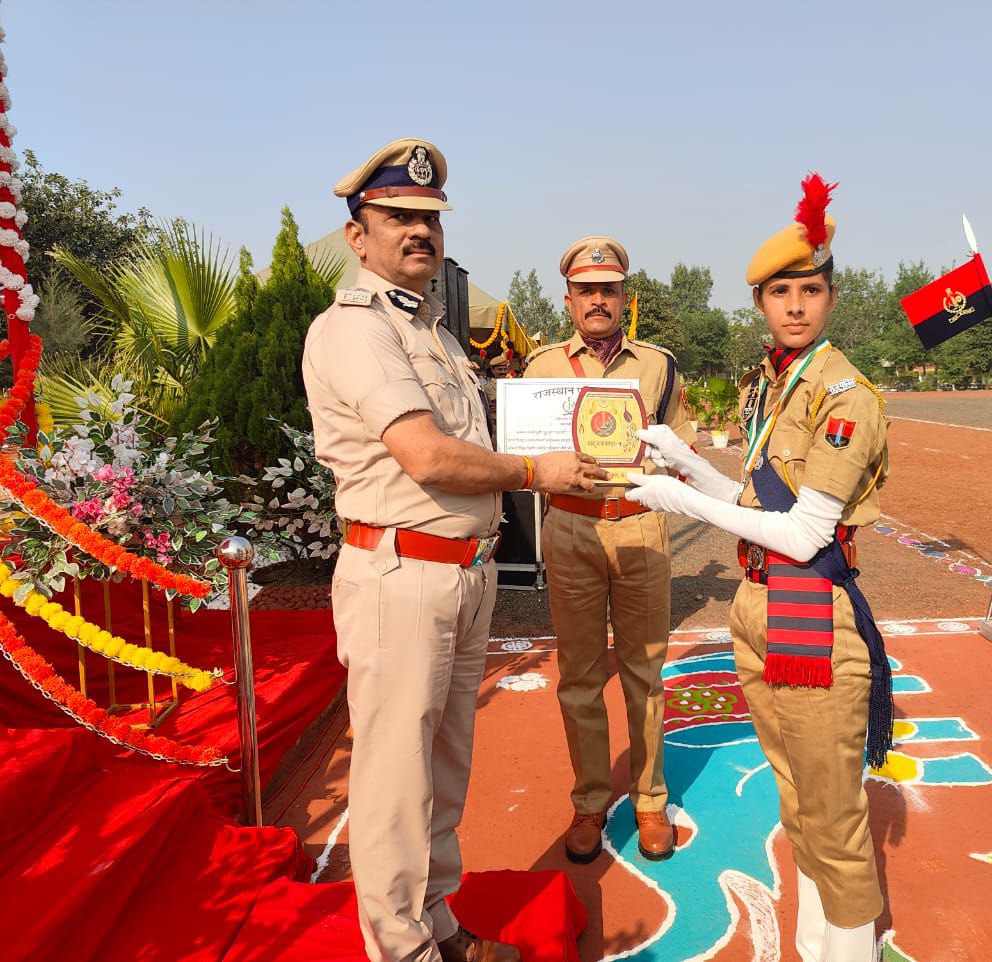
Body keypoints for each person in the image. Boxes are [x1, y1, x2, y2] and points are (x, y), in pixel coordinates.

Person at [302, 138, 607, 962]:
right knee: (397, 785)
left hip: (458, 578)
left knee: (440, 777)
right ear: (356, 236)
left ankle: (437, 926)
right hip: (400, 578)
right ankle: (400, 951)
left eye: (430, 220)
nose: (418, 232)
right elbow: (428, 455)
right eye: (396, 217)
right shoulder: (356, 330)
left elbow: (465, 442)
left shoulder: (432, 330)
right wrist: (539, 469)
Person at [625, 176, 893, 962]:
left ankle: (850, 950)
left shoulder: (843, 394)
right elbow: (753, 498)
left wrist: (679, 500)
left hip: (812, 606)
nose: (797, 305)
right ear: (761, 304)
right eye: (782, 292)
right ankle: (816, 944)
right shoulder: (776, 381)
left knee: (833, 815)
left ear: (831, 296)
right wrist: (684, 461)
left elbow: (806, 531)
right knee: (797, 799)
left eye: (811, 289)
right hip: (757, 602)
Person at [521, 237, 695, 863]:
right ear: (568, 298)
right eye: (586, 290)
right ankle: (591, 799)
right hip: (570, 529)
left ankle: (650, 800)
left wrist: (676, 474)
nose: (598, 301)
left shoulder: (660, 366)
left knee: (646, 673)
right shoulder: (539, 369)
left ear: (625, 298)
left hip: (641, 527)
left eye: (609, 290)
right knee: (579, 677)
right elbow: (525, 454)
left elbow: (682, 446)